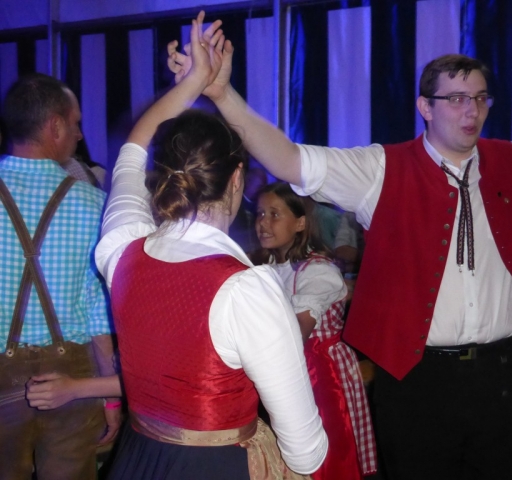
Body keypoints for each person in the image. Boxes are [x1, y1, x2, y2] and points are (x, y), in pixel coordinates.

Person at [167, 27, 512, 478]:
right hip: (417, 377)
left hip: (502, 375)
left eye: (480, 98)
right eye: (456, 98)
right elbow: (289, 159)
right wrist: (223, 95)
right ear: (425, 106)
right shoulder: (381, 169)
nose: (472, 110)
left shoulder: (511, 163)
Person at [95, 13, 327, 479]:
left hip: (135, 459)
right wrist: (201, 84)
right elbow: (306, 453)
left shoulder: (120, 250)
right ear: (237, 178)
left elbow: (132, 150)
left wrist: (191, 83)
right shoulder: (247, 290)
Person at [0, 74, 119, 479]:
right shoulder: (94, 203)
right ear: (54, 126)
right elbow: (97, 310)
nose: (80, 134)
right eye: (75, 123)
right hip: (71, 375)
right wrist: (111, 395)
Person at [254, 182, 377, 478]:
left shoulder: (318, 271)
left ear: (300, 223)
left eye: (274, 214)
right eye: (260, 214)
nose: (263, 222)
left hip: (321, 374)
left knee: (324, 452)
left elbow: (297, 334)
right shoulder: (266, 267)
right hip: (287, 368)